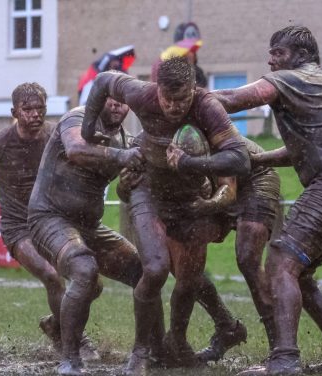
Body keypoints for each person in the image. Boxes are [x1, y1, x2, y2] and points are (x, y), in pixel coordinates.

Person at [211, 26, 322, 375]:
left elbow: (232, 99)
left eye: (279, 52)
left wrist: (189, 98)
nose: (271, 59)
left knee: (280, 263)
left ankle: (285, 359)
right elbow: (308, 148)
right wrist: (260, 160)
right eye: (270, 52)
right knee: (299, 272)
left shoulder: (291, 79)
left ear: (301, 55)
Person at [81, 56, 250, 374]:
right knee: (156, 268)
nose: (174, 106)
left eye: (181, 99)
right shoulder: (141, 93)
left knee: (188, 280)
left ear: (193, 90)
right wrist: (89, 130)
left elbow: (239, 160)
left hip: (189, 198)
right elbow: (104, 80)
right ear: (156, 91)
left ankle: (179, 342)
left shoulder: (206, 107)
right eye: (167, 99)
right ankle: (141, 350)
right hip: (149, 189)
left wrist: (191, 164)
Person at [0, 82, 98, 362]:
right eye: (27, 109)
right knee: (52, 276)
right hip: (19, 228)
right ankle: (75, 341)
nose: (34, 114)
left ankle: (56, 324)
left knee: (90, 283)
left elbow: (85, 159)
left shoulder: (57, 133)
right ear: (14, 112)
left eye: (39, 108)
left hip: (53, 221)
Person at [27, 97, 146, 375]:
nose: (118, 105)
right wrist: (120, 157)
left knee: (144, 272)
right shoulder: (77, 119)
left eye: (124, 101)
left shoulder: (127, 140)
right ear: (100, 99)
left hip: (89, 225)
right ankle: (70, 358)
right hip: (49, 217)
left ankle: (154, 348)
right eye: (112, 99)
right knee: (84, 270)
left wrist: (127, 185)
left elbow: (123, 191)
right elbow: (76, 149)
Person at [192, 136, 281, 361]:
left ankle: (281, 349)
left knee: (248, 259)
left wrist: (207, 206)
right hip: (213, 181)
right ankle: (226, 328)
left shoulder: (206, 114)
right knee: (185, 263)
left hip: (253, 178)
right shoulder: (159, 119)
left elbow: (227, 186)